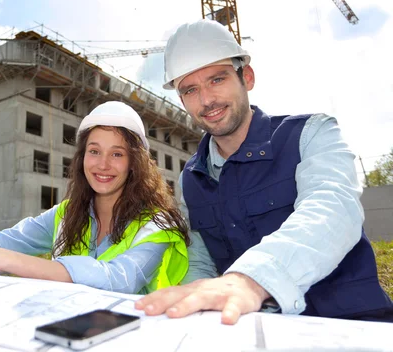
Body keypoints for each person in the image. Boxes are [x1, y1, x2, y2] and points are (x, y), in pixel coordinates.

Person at [135, 19, 393, 323]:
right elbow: (199, 259)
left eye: (217, 80)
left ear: (247, 76)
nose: (206, 100)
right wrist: (199, 312)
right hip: (255, 329)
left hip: (349, 323)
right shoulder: (190, 177)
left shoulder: (311, 134)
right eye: (190, 89)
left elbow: (333, 210)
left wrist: (250, 280)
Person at [0, 101, 190, 294]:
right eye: (94, 151)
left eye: (117, 154)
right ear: (82, 157)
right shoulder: (66, 214)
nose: (102, 164)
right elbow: (0, 242)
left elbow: (119, 278)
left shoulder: (158, 224)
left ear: (134, 163)